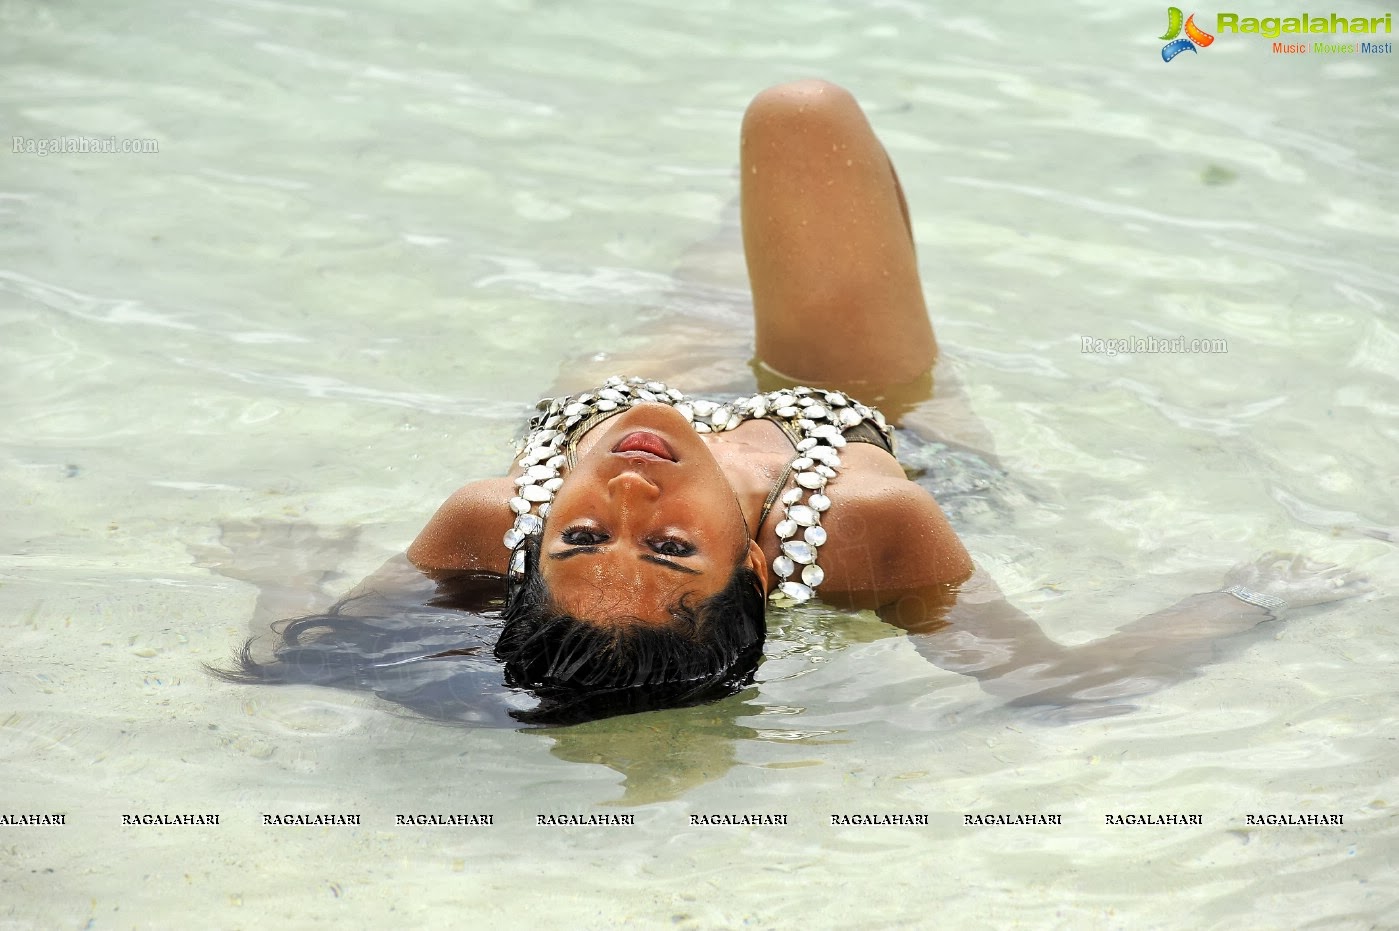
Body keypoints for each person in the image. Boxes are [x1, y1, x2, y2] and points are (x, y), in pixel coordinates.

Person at [212, 80, 1367, 725]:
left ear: (531, 546)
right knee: (800, 122)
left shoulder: (492, 514)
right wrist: (1256, 597)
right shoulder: (869, 523)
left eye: (581, 537)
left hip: (623, 391)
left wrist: (281, 571)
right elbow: (1051, 685)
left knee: (712, 272)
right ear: (756, 567)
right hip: (852, 412)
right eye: (670, 547)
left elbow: (310, 652)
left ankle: (738, 244)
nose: (626, 495)